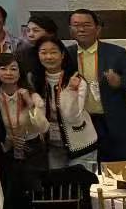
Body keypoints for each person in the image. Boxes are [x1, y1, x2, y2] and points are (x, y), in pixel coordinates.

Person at [67, 8, 126, 161]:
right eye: (76, 25)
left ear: (98, 29)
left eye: (86, 25)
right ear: (70, 30)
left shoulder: (116, 53)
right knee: (86, 168)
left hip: (112, 122)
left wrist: (120, 82)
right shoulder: (66, 55)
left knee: (119, 167)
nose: (81, 29)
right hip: (81, 123)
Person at [35, 37, 97, 171]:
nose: (49, 57)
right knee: (57, 183)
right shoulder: (35, 80)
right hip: (53, 146)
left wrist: (70, 92)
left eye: (53, 52)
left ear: (62, 55)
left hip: (81, 145)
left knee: (81, 183)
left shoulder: (76, 80)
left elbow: (72, 116)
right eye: (43, 52)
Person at [0, 54, 47, 172]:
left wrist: (30, 104)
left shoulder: (32, 96)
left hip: (32, 148)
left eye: (13, 69)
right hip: (6, 149)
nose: (9, 73)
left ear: (20, 73)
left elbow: (43, 127)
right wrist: (7, 140)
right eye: (3, 69)